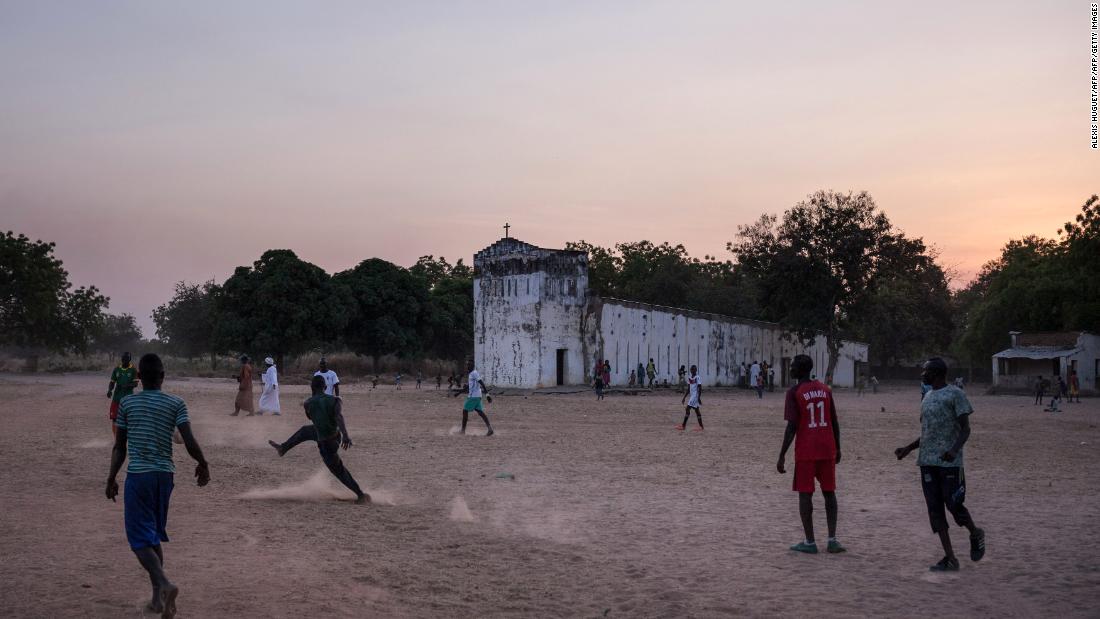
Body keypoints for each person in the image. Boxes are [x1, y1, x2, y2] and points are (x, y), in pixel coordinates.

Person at [105, 353, 210, 617]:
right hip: (165, 477)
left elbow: (120, 446)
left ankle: (164, 585)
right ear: (163, 376)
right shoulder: (176, 403)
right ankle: (157, 600)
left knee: (139, 539)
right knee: (152, 534)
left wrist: (111, 477)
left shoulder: (128, 403)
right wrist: (203, 464)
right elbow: (188, 440)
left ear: (138, 378)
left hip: (139, 476)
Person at [895, 358, 985, 572]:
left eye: (924, 371)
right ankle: (950, 558)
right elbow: (928, 433)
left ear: (935, 373)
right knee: (935, 511)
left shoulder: (956, 394)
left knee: (954, 506)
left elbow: (965, 429)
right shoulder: (926, 396)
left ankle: (975, 532)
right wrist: (908, 448)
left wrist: (954, 450)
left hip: (949, 464)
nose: (922, 374)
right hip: (927, 463)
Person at [776, 354, 844, 554]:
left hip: (806, 450)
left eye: (793, 366)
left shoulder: (795, 392)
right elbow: (834, 421)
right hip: (827, 447)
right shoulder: (825, 389)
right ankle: (832, 540)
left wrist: (781, 455)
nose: (790, 369)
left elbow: (792, 427)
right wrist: (838, 447)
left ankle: (810, 542)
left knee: (805, 494)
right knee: (829, 493)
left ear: (799, 370)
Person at [269, 375, 369, 503]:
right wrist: (346, 436)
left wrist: (309, 403)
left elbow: (312, 417)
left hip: (326, 443)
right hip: (335, 436)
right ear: (326, 387)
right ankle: (283, 448)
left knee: (338, 470)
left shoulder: (308, 403)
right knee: (306, 430)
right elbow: (338, 417)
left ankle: (360, 494)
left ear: (312, 388)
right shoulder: (335, 400)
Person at [453, 360, 494, 436]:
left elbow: (481, 382)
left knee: (465, 410)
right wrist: (459, 393)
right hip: (477, 396)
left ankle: (462, 431)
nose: (467, 366)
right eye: (467, 365)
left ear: (472, 366)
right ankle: (490, 429)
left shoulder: (474, 373)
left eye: (468, 365)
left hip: (473, 396)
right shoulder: (472, 374)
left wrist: (487, 394)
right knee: (480, 412)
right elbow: (469, 386)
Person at [107, 352, 139, 435]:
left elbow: (135, 384)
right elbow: (112, 382)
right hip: (117, 398)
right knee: (114, 419)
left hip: (128, 399)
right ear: (121, 359)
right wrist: (110, 390)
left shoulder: (133, 370)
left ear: (130, 359)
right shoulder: (117, 369)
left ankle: (127, 437)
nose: (124, 361)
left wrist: (127, 385)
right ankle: (116, 438)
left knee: (128, 419)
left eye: (127, 359)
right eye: (123, 359)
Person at [678, 365, 704, 431]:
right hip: (692, 396)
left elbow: (700, 387)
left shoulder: (697, 377)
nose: (693, 371)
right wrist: (684, 397)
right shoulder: (690, 377)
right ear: (690, 370)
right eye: (692, 370)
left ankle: (683, 426)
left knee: (687, 409)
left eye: (694, 370)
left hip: (695, 396)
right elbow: (688, 389)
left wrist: (698, 397)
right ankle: (701, 427)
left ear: (696, 370)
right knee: (697, 411)